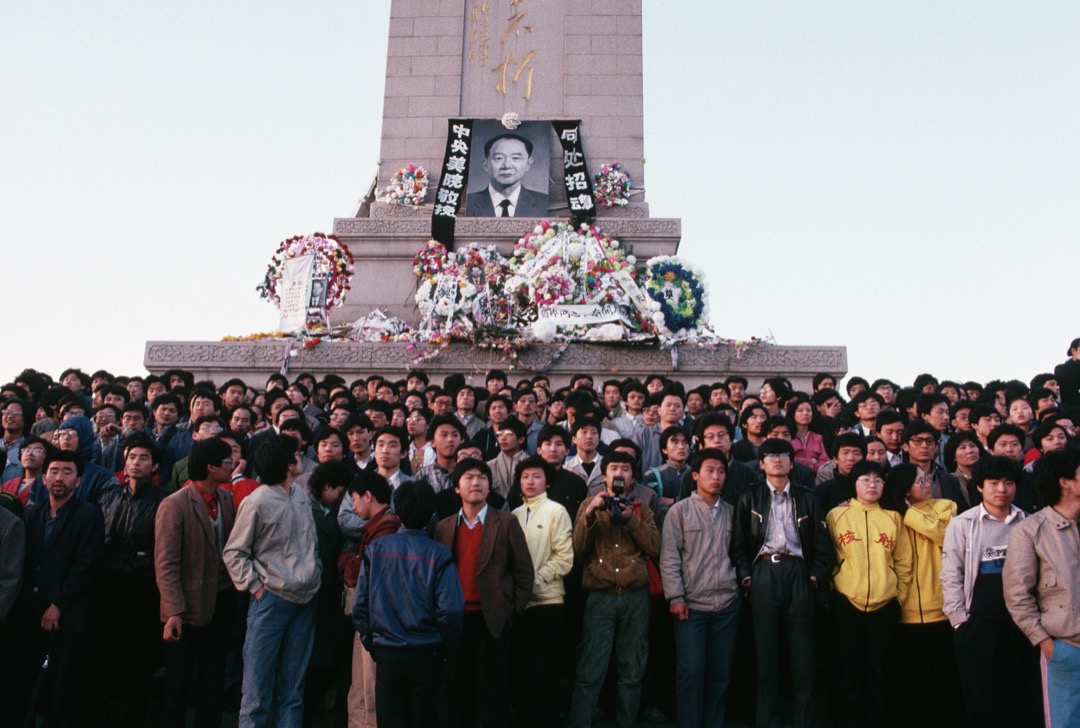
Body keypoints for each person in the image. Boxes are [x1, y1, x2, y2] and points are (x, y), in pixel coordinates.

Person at [731, 437, 832, 728]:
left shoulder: (808, 497)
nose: (778, 460)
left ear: (792, 461)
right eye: (770, 456)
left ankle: (803, 721)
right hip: (763, 573)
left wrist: (814, 578)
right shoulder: (748, 497)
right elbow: (738, 544)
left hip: (800, 574)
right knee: (766, 659)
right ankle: (768, 721)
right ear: (760, 463)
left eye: (784, 455)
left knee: (802, 659)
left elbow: (823, 548)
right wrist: (746, 577)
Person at [223, 434, 322, 728]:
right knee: (257, 692)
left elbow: (311, 542)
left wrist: (315, 570)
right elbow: (234, 552)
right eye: (296, 454)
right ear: (285, 462)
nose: (300, 457)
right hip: (271, 602)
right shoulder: (257, 501)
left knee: (293, 691)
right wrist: (256, 588)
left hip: (306, 600)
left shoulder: (301, 494)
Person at [1, 451, 105, 727]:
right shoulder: (32, 512)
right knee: (19, 684)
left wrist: (57, 604)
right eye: (54, 471)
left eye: (67, 472)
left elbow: (86, 566)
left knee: (62, 688)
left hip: (67, 614)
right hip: (29, 612)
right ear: (44, 478)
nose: (59, 478)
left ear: (79, 480)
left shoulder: (89, 515)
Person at [353, 479, 465, 728]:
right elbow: (451, 609)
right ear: (432, 514)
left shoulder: (377, 549)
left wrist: (372, 642)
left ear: (398, 512)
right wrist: (447, 647)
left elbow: (360, 605)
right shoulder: (439, 554)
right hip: (427, 651)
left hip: (387, 651)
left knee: (391, 719)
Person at [941, 455, 1042, 728]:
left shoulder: (1028, 521)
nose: (1002, 489)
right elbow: (951, 575)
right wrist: (960, 621)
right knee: (984, 699)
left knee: (1022, 696)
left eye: (1009, 483)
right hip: (979, 623)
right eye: (994, 482)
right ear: (980, 487)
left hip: (1022, 625)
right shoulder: (963, 524)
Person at [434, 458, 534, 728]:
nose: (475, 482)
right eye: (468, 477)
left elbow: (524, 572)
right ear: (456, 488)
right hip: (456, 619)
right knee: (459, 692)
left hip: (493, 620)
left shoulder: (506, 522)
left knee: (493, 695)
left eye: (481, 477)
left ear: (490, 486)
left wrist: (512, 611)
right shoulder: (444, 527)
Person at [567, 450, 661, 728]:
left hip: (635, 597)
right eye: (614, 468)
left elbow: (654, 546)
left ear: (633, 476)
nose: (620, 473)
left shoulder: (643, 507)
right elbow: (578, 550)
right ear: (604, 474)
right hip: (600, 597)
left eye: (626, 469)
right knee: (589, 669)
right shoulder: (588, 503)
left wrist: (632, 517)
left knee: (632, 670)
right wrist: (590, 513)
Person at [155, 437, 238, 728]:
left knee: (212, 682)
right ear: (211, 467)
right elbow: (166, 563)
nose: (233, 466)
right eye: (227, 462)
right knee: (178, 685)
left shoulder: (227, 499)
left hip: (222, 602)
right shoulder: (174, 504)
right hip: (186, 609)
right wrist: (173, 611)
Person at [826, 459, 912, 728]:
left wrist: (897, 596)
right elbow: (827, 557)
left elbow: (904, 562)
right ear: (854, 484)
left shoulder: (893, 517)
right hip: (846, 604)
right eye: (866, 480)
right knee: (848, 674)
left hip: (884, 606)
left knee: (881, 674)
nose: (872, 485)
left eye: (878, 480)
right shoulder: (835, 516)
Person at [660, 448, 742, 728]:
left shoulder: (732, 512)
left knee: (720, 673)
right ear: (695, 475)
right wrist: (676, 596)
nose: (716, 476)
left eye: (721, 471)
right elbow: (669, 557)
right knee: (691, 672)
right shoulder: (679, 512)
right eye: (709, 470)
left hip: (727, 604)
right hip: (691, 606)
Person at [881, 462, 964, 728]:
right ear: (904, 487)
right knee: (913, 686)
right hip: (905, 614)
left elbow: (943, 534)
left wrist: (908, 511)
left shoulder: (946, 506)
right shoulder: (890, 516)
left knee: (946, 683)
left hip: (942, 611)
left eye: (927, 478)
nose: (926, 484)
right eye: (919, 481)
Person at [1004, 448, 1080, 727]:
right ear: (1066, 481)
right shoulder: (1030, 530)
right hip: (1066, 648)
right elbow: (1017, 596)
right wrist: (1047, 644)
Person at [509, 456, 574, 728]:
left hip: (548, 601)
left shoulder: (556, 511)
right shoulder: (513, 514)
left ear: (546, 481)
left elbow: (564, 557)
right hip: (520, 605)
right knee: (522, 671)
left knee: (546, 671)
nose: (530, 481)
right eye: (525, 477)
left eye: (536, 476)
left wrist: (534, 582)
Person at [338, 471, 400, 728]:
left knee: (369, 692)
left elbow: (359, 570)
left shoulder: (387, 529)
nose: (352, 507)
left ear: (368, 496)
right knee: (359, 690)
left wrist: (347, 560)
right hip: (368, 620)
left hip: (375, 621)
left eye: (354, 499)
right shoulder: (377, 527)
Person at [465, 133, 548, 218]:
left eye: (516, 158)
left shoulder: (545, 203)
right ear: (485, 164)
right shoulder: (468, 203)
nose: (507, 165)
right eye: (498, 158)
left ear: (528, 164)